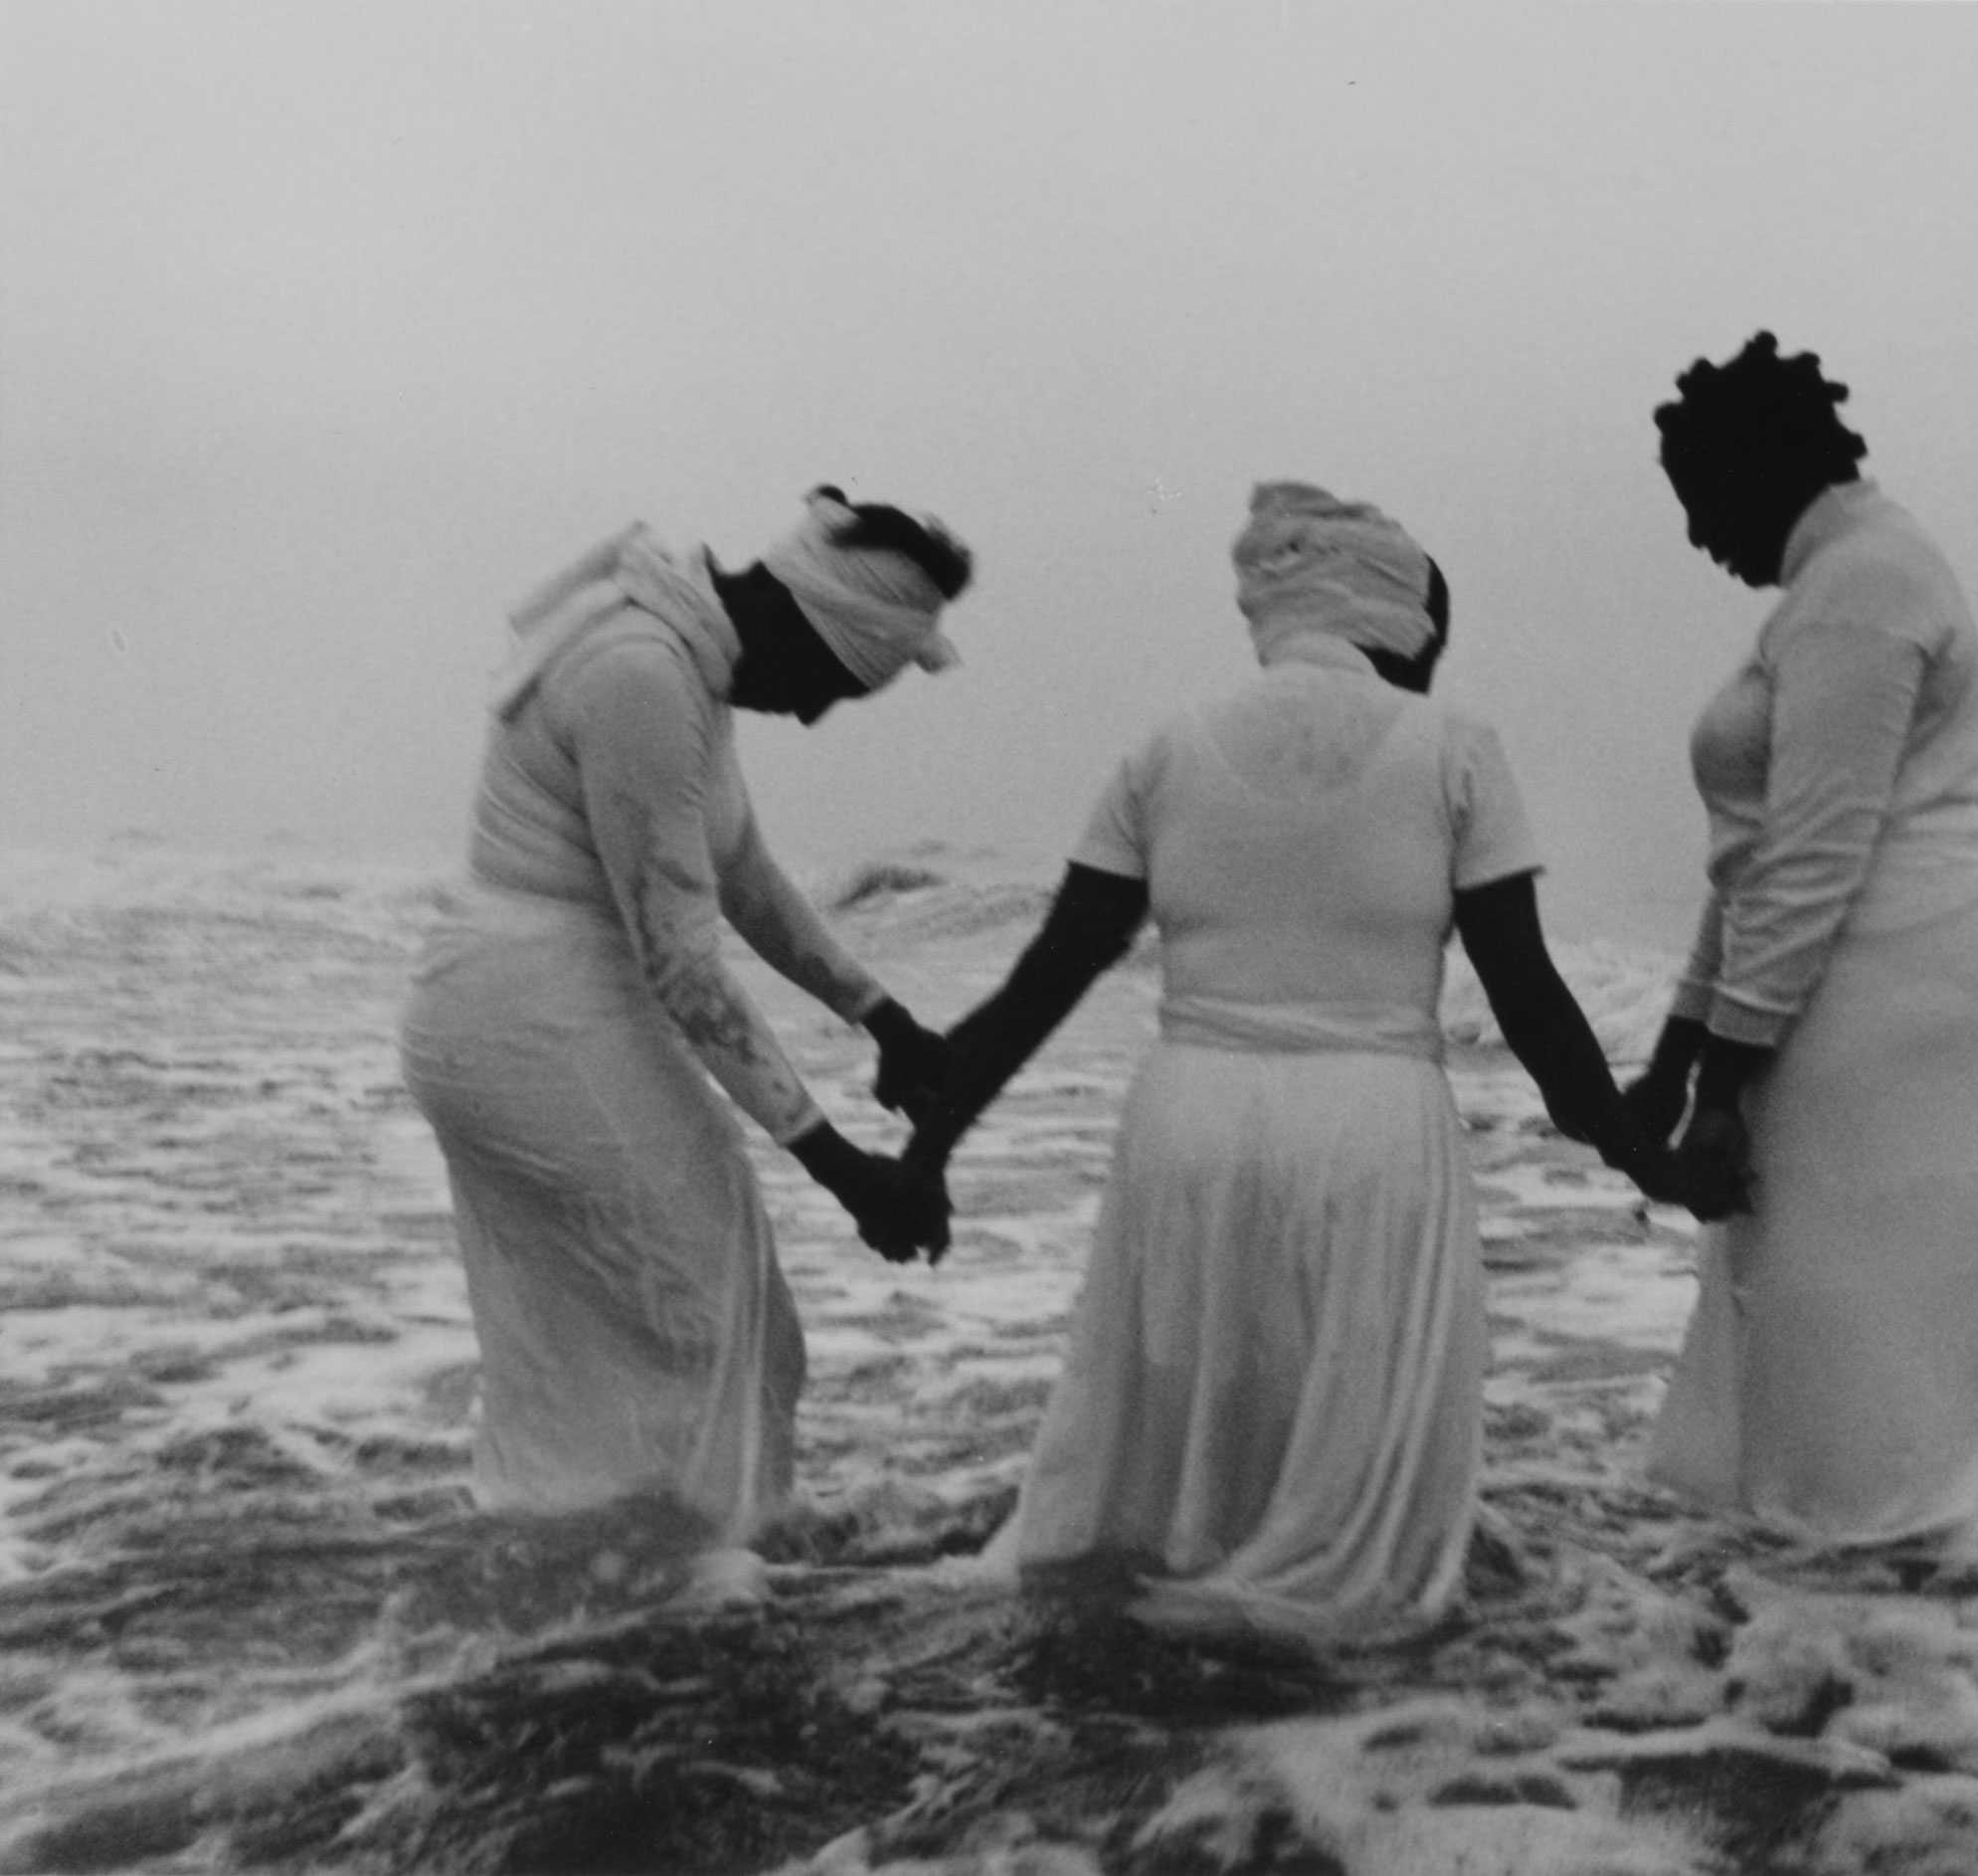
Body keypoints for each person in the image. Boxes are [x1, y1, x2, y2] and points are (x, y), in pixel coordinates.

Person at [898, 482, 1697, 1645]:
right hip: (1368, 1131)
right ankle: (1308, 1667)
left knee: (1194, 1434)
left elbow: (1042, 981)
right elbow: (1527, 995)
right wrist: (1641, 1155)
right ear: (1394, 620)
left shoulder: (1165, 749)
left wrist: (926, 1153)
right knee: (1353, 1480)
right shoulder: (1454, 750)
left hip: (1189, 1125)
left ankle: (1160, 1629)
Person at [399, 486, 967, 1572]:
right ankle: (672, 1594)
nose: (811, 714)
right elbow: (683, 966)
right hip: (529, 1019)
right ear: (803, 620)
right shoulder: (642, 672)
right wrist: (850, 1172)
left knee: (672, 1330)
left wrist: (881, 1015)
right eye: (834, 686)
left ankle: (584, 1568)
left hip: (531, 1008)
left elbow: (739, 869)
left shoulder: (684, 657)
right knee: (716, 1327)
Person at [1624, 334, 1978, 1547]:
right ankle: (1812, 1578)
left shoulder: (1864, 585)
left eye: (1702, 503)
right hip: (1852, 982)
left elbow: (1811, 861)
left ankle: (1860, 1596)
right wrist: (1673, 1053)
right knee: (1807, 1307)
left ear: (1762, 465)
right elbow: (1755, 859)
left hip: (1900, 989)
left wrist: (1718, 1084)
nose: (1704, 541)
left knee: (1854, 1325)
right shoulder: (1839, 582)